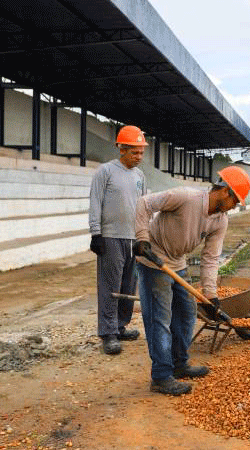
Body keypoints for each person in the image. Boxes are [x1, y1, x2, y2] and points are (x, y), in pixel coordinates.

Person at [132, 166, 250, 396]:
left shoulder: (220, 220)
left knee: (187, 315)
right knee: (160, 319)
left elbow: (211, 258)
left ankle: (179, 364)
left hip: (178, 262)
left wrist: (211, 295)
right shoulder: (186, 197)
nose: (234, 206)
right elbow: (144, 204)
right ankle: (161, 376)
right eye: (235, 200)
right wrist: (142, 238)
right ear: (225, 191)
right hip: (153, 260)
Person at [88, 125, 147, 355]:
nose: (139, 157)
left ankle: (121, 326)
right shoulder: (105, 172)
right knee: (110, 287)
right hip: (111, 237)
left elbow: (142, 206)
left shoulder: (140, 176)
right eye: (135, 152)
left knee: (127, 285)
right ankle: (108, 333)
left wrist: (143, 235)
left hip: (132, 238)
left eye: (141, 152)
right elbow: (95, 202)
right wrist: (96, 233)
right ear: (122, 149)